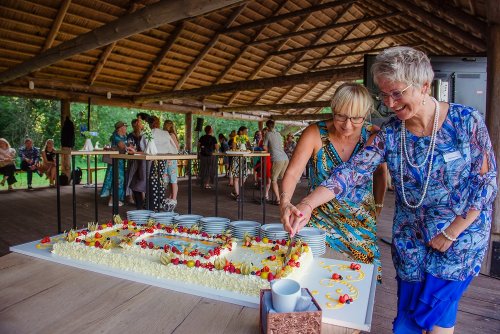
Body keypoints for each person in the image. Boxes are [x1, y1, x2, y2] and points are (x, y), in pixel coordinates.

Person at [282, 47, 498, 334]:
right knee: (407, 317)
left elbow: (486, 183)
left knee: (437, 312)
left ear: (424, 86)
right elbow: (351, 172)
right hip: (411, 237)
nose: (390, 103)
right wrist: (307, 204)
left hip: (459, 237)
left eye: (396, 93)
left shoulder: (465, 121)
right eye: (384, 95)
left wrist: (453, 231)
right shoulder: (391, 133)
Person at [280, 83, 387, 284]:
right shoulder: (315, 133)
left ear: (366, 114)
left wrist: (379, 205)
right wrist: (285, 202)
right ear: (333, 109)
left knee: (360, 283)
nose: (347, 125)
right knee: (313, 279)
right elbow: (293, 173)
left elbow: (381, 173)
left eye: (356, 118)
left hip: (361, 223)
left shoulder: (373, 134)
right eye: (341, 116)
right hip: (319, 218)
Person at [100, 121, 128, 206]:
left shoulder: (124, 136)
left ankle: (114, 200)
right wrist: (129, 146)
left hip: (121, 160)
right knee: (117, 180)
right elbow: (122, 146)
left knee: (119, 180)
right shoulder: (115, 136)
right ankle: (113, 200)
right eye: (125, 126)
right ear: (120, 128)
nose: (126, 128)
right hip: (116, 161)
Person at [263, 120, 289, 205]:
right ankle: (285, 198)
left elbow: (264, 147)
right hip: (285, 158)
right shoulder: (278, 134)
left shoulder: (267, 134)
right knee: (282, 179)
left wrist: (267, 150)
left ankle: (278, 199)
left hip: (277, 158)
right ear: (274, 125)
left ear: (267, 127)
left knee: (273, 180)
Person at [125, 118, 146, 209]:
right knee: (137, 179)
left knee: (135, 179)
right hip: (137, 159)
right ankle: (137, 200)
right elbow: (130, 146)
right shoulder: (134, 135)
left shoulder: (145, 134)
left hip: (139, 158)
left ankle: (138, 201)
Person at [161, 119, 180, 209]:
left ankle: (174, 198)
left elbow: (177, 147)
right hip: (165, 158)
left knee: (173, 179)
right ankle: (168, 196)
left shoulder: (171, 135)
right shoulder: (164, 135)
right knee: (165, 178)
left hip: (171, 159)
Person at [230, 126, 249, 199]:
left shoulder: (245, 137)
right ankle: (237, 194)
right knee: (236, 177)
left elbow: (249, 146)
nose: (246, 133)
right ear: (240, 131)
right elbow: (233, 147)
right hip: (237, 158)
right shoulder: (236, 137)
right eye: (245, 131)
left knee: (244, 176)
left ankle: (235, 190)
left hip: (244, 158)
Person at [198, 125, 219, 189]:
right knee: (210, 170)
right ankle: (207, 183)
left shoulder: (202, 137)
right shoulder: (213, 138)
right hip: (211, 156)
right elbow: (217, 147)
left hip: (203, 156)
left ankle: (202, 183)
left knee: (203, 169)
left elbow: (198, 145)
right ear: (210, 130)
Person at [61, 113, 75, 179]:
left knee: (66, 164)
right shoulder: (69, 126)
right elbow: (72, 136)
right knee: (66, 163)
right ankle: (66, 178)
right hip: (67, 146)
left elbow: (70, 136)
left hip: (66, 146)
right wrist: (71, 145)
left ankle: (67, 178)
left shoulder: (66, 126)